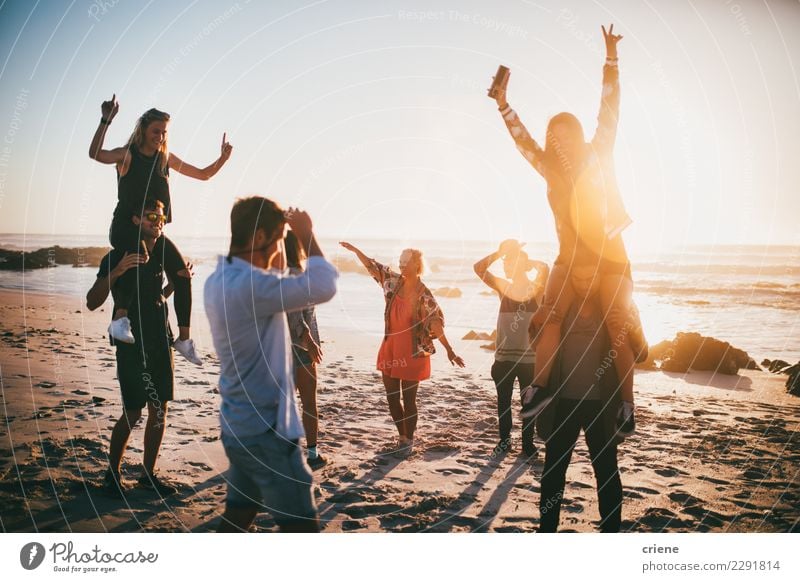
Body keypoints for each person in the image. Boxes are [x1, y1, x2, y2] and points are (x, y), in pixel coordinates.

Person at [490, 24, 638, 436]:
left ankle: (626, 405)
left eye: (565, 132)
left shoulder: (597, 153)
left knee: (617, 327)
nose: (559, 140)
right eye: (553, 135)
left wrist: (611, 60)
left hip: (610, 256)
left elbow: (609, 111)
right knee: (550, 315)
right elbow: (523, 143)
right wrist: (503, 105)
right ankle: (538, 392)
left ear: (576, 134)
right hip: (569, 257)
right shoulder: (550, 169)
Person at [204, 197, 338, 533]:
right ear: (260, 238)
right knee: (303, 530)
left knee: (238, 517)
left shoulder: (218, 281)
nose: (282, 249)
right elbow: (324, 285)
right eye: (279, 239)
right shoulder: (251, 286)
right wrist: (307, 234)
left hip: (238, 426)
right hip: (268, 434)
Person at [88, 95, 233, 365]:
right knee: (138, 258)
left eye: (164, 132)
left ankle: (184, 339)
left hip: (154, 229)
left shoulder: (164, 158)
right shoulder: (127, 154)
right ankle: (120, 319)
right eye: (156, 131)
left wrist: (222, 158)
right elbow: (95, 154)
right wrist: (105, 121)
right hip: (126, 228)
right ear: (143, 129)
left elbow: (203, 175)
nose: (160, 136)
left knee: (182, 274)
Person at [535, 261, 646, 533]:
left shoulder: (618, 304)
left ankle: (611, 532)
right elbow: (538, 344)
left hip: (602, 406)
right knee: (553, 474)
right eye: (578, 278)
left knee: (606, 472)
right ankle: (546, 530)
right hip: (563, 404)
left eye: (590, 278)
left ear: (601, 276)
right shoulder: (561, 304)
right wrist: (537, 317)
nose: (584, 284)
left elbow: (642, 353)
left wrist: (632, 328)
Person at [86, 198, 183, 497]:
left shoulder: (163, 255)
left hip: (160, 338)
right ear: (134, 220)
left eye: (162, 215)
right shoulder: (116, 256)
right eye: (151, 215)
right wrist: (116, 271)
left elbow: (157, 298)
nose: (158, 220)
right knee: (133, 411)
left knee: (160, 409)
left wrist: (176, 285)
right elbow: (92, 302)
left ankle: (147, 474)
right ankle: (112, 474)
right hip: (130, 342)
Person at [339, 241, 465, 457]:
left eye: (406, 263)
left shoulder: (424, 294)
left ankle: (409, 440)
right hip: (390, 348)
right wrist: (356, 251)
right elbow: (372, 266)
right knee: (391, 397)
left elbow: (436, 322)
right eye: (400, 262)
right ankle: (402, 436)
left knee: (409, 400)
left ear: (417, 265)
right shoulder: (391, 283)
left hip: (413, 353)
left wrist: (449, 349)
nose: (402, 266)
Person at [474, 239, 548, 458]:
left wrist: (523, 259)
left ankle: (527, 445)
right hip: (503, 358)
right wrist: (500, 252)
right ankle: (505, 442)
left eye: (509, 262)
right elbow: (478, 268)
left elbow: (545, 268)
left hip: (529, 359)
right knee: (503, 403)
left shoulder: (536, 289)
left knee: (529, 404)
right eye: (505, 263)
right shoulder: (503, 286)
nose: (506, 266)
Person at [284, 231, 327, 471]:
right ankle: (312, 454)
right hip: (299, 348)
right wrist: (309, 340)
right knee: (309, 402)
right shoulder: (296, 276)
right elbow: (295, 315)